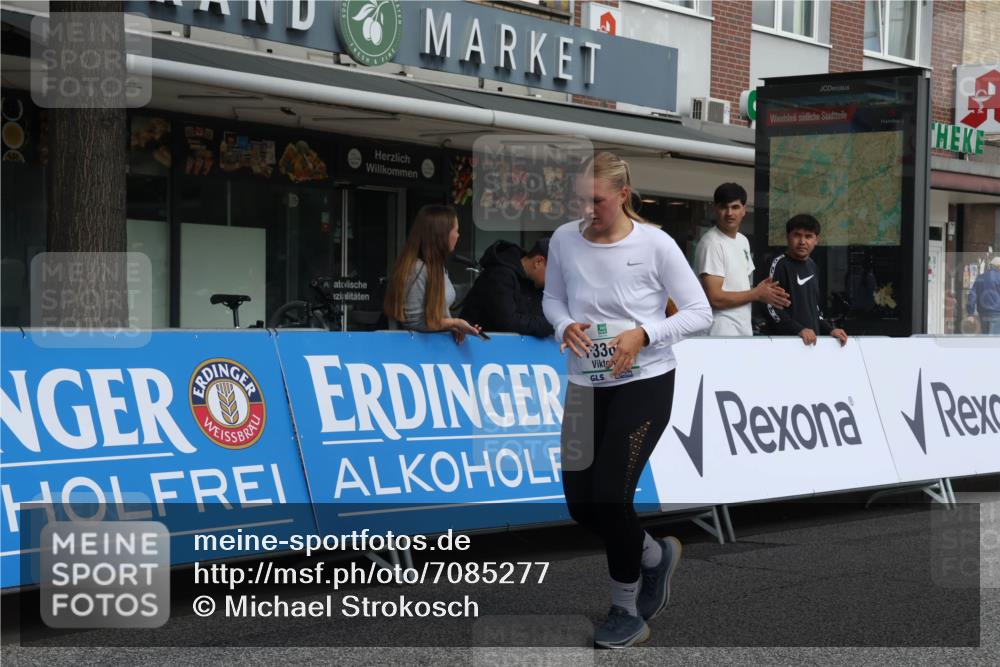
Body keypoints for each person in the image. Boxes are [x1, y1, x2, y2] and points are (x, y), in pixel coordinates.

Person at [543, 152, 713, 649]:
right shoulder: (563, 240)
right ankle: (655, 557)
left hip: (645, 383)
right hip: (584, 384)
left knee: (611, 497)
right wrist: (562, 323)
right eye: (580, 199)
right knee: (581, 505)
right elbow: (552, 298)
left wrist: (645, 333)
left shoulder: (655, 244)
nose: (586, 208)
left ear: (623, 195)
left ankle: (625, 609)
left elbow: (699, 312)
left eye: (595, 200)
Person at [694, 183, 790, 335]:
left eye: (735, 207)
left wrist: (765, 292)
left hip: (742, 328)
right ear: (715, 209)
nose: (729, 213)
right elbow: (715, 298)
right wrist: (757, 293)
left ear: (744, 210)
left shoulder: (742, 240)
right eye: (724, 207)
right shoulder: (711, 243)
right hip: (719, 330)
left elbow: (741, 286)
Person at [383, 204, 480, 343]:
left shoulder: (437, 267)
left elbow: (434, 317)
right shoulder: (417, 268)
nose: (458, 235)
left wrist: (456, 327)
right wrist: (454, 323)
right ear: (442, 234)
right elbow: (413, 323)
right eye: (456, 230)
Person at [767, 214, 848, 346]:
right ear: (787, 236)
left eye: (808, 236)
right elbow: (770, 308)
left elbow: (815, 310)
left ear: (816, 240)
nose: (802, 241)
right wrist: (798, 330)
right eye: (797, 235)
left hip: (811, 345)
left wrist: (830, 330)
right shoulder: (778, 264)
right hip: (785, 345)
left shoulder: (812, 266)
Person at [460, 238, 554, 337]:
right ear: (538, 261)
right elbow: (507, 323)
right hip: (477, 346)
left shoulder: (536, 283)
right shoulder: (499, 275)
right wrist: (552, 323)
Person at [966, 256, 1000, 334]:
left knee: (986, 339)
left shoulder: (980, 277)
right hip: (997, 314)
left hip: (983, 314)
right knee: (995, 342)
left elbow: (972, 295)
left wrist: (970, 313)